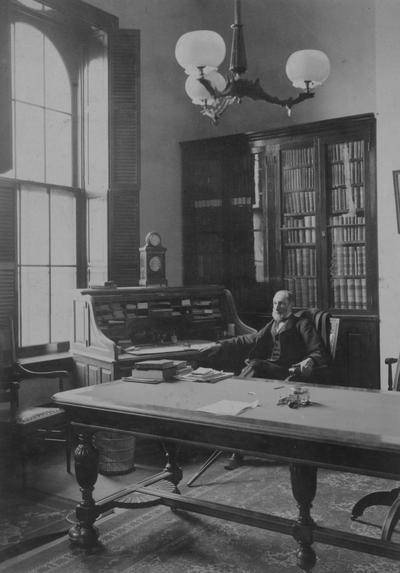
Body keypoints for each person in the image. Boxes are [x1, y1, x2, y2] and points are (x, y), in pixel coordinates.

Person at [202, 289, 329, 469]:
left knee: (254, 367)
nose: (277, 307)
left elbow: (317, 351)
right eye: (275, 303)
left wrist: (310, 360)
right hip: (268, 371)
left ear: (291, 305)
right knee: (249, 386)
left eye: (282, 303)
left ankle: (235, 432)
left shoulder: (302, 323)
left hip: (287, 372)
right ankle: (236, 447)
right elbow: (250, 339)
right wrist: (220, 345)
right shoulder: (272, 324)